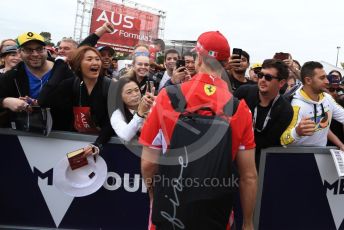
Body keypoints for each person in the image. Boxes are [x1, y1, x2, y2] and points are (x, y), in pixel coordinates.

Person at [140, 31, 257, 230]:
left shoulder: (167, 96)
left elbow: (149, 164)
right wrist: (247, 223)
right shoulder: (239, 108)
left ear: (198, 58)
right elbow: (248, 176)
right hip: (216, 213)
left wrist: (154, 194)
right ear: (226, 63)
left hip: (170, 207)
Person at [38, 46, 114, 155]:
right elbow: (43, 101)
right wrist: (59, 66)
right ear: (79, 64)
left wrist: (97, 144)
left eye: (97, 59)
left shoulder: (110, 86)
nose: (95, 62)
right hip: (73, 144)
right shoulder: (70, 84)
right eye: (89, 59)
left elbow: (112, 120)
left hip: (102, 146)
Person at [234, 59, 293, 168]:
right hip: (233, 155)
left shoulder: (286, 110)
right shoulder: (243, 92)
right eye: (261, 75)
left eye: (268, 77)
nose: (262, 80)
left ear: (281, 83)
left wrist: (246, 131)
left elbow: (267, 142)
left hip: (259, 164)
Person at [281, 61, 344, 147]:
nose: (326, 81)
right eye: (322, 78)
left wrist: (341, 145)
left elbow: (324, 127)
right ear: (308, 80)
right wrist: (297, 132)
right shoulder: (296, 105)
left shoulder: (327, 98)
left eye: (326, 77)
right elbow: (283, 141)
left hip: (321, 154)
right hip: (299, 156)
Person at [110, 77, 154, 142]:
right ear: (120, 96)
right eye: (129, 92)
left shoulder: (150, 104)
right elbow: (126, 136)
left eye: (136, 90)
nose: (135, 94)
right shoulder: (117, 115)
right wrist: (140, 114)